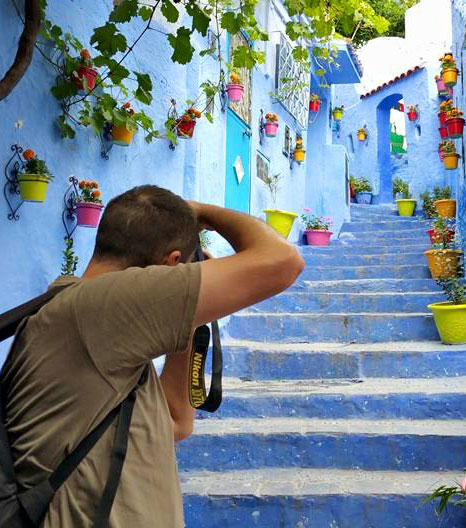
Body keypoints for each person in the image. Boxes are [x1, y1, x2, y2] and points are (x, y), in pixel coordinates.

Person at [1, 185, 304, 527]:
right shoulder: (103, 307)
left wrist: (194, 315)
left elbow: (176, 422)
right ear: (172, 263)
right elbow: (283, 261)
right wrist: (202, 211)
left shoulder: (85, 317)